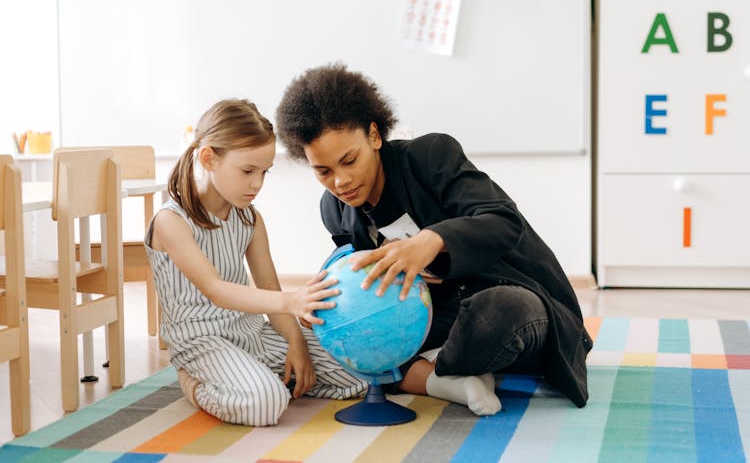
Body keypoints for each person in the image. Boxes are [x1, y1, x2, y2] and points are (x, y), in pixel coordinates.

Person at [275, 63, 593, 412]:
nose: (341, 182)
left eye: (349, 160)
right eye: (323, 171)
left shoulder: (430, 157)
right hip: (439, 316)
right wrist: (324, 307)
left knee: (500, 311)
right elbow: (362, 285)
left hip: (511, 303)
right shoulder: (335, 210)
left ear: (374, 136)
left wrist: (431, 241)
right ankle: (449, 371)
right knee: (332, 340)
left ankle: (426, 368)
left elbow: (503, 221)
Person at [145, 99, 369, 426]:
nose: (256, 184)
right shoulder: (171, 221)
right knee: (267, 404)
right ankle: (196, 384)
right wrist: (293, 301)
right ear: (209, 158)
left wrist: (295, 343)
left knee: (360, 375)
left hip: (252, 334)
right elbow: (217, 290)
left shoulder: (249, 219)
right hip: (202, 343)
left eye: (264, 172)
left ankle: (253, 374)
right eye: (247, 171)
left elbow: (268, 289)